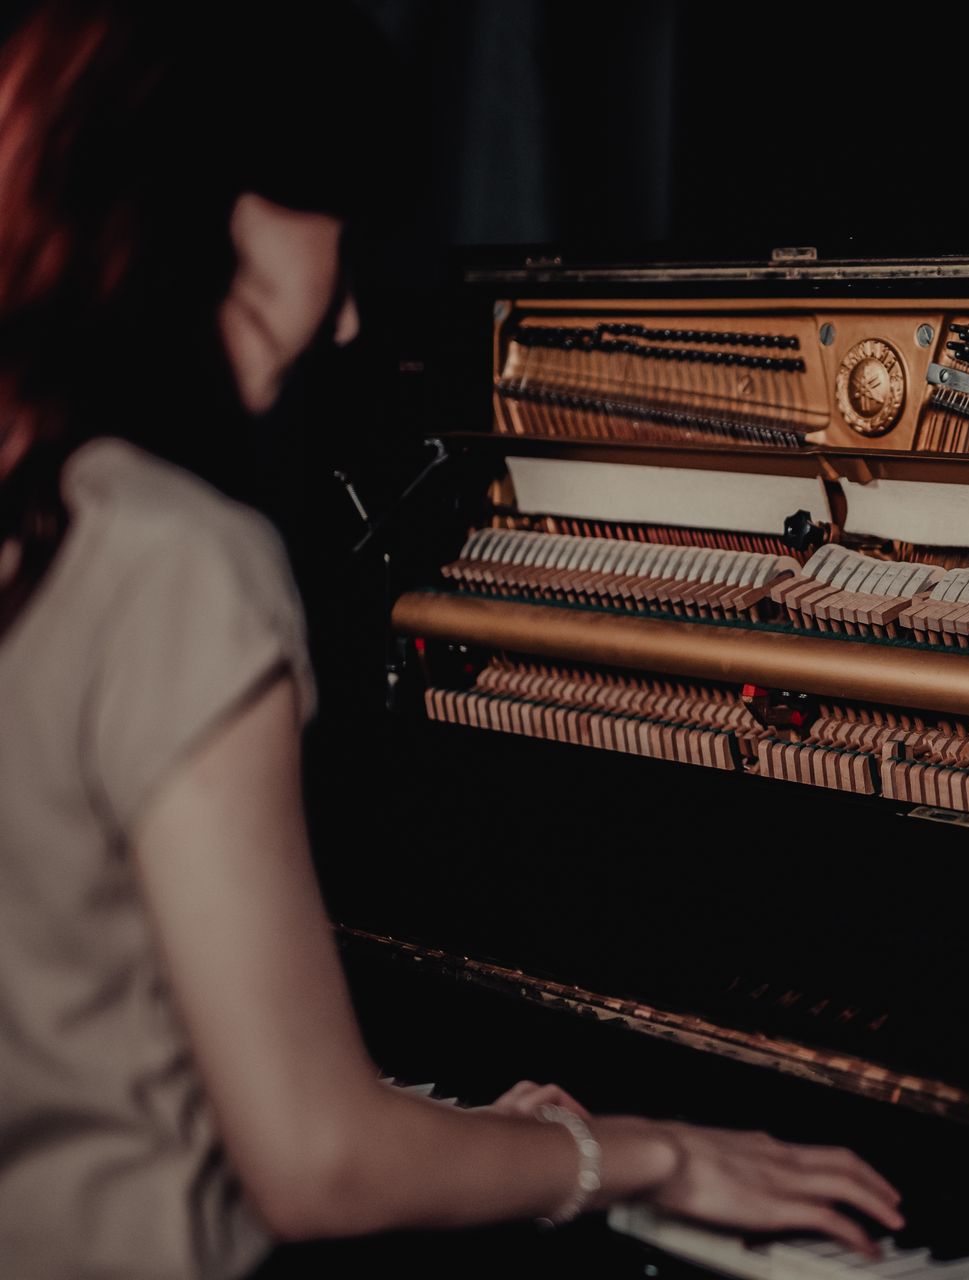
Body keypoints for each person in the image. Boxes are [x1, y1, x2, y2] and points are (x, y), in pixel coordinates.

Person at [0, 4, 904, 1277]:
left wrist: (447, 1133)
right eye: (340, 236)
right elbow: (318, 1162)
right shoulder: (177, 564)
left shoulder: (45, 513)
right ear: (230, 202)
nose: (351, 318)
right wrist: (652, 1155)